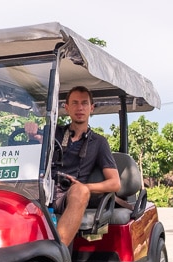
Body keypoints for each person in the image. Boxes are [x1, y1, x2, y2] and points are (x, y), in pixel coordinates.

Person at [25, 86, 121, 249]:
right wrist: (31, 133)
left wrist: (85, 186)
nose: (80, 108)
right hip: (43, 187)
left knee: (81, 191)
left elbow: (115, 183)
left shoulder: (98, 142)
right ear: (67, 107)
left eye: (84, 103)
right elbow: (37, 143)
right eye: (75, 103)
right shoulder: (54, 132)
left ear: (91, 108)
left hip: (68, 193)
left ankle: (58, 253)